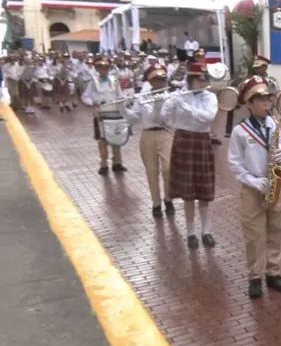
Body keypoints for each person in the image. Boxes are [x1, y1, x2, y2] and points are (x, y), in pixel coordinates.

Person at [227, 76, 281, 298]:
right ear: (249, 104)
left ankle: (273, 272)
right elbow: (234, 163)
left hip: (278, 184)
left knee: (276, 230)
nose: (267, 103)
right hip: (253, 187)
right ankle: (255, 276)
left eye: (268, 99)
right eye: (261, 100)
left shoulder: (278, 124)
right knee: (254, 234)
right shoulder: (240, 131)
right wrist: (253, 180)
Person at [161, 62, 219, 249]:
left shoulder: (210, 97)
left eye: (204, 79)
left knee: (203, 191)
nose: (203, 83)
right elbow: (164, 119)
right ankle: (190, 232)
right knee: (188, 194)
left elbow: (208, 117)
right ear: (190, 79)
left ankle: (206, 231)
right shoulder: (178, 95)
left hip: (201, 141)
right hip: (183, 140)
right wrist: (169, 102)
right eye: (199, 79)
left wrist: (185, 106)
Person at [124, 63, 175, 218]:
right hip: (147, 135)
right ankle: (156, 203)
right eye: (156, 80)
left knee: (168, 168)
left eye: (162, 79)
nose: (160, 83)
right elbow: (134, 117)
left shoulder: (171, 97)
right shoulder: (142, 97)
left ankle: (168, 199)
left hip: (165, 133)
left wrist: (159, 106)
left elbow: (165, 118)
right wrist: (122, 109)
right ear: (150, 81)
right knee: (151, 171)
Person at [82, 56, 128, 175]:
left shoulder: (114, 81)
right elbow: (85, 96)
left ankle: (117, 163)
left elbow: (120, 95)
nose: (103, 70)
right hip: (101, 114)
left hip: (114, 112)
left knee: (116, 137)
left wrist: (124, 101)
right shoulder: (93, 82)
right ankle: (103, 164)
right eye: (101, 68)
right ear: (97, 69)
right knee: (102, 140)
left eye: (106, 68)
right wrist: (93, 103)